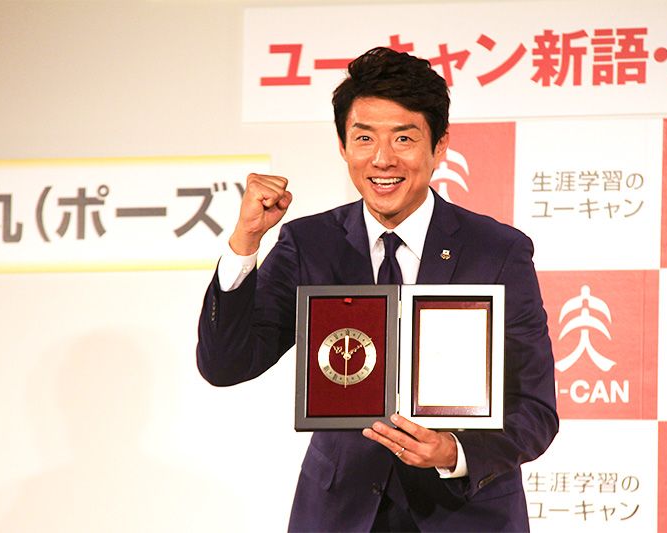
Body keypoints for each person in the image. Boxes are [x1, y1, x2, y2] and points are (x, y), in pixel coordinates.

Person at [196, 47, 558, 532]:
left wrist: (454, 451)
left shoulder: (497, 250)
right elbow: (225, 365)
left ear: (440, 146)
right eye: (364, 138)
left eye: (404, 138)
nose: (382, 159)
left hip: (465, 515)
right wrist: (245, 242)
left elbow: (536, 409)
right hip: (340, 513)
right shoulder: (310, 244)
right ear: (343, 146)